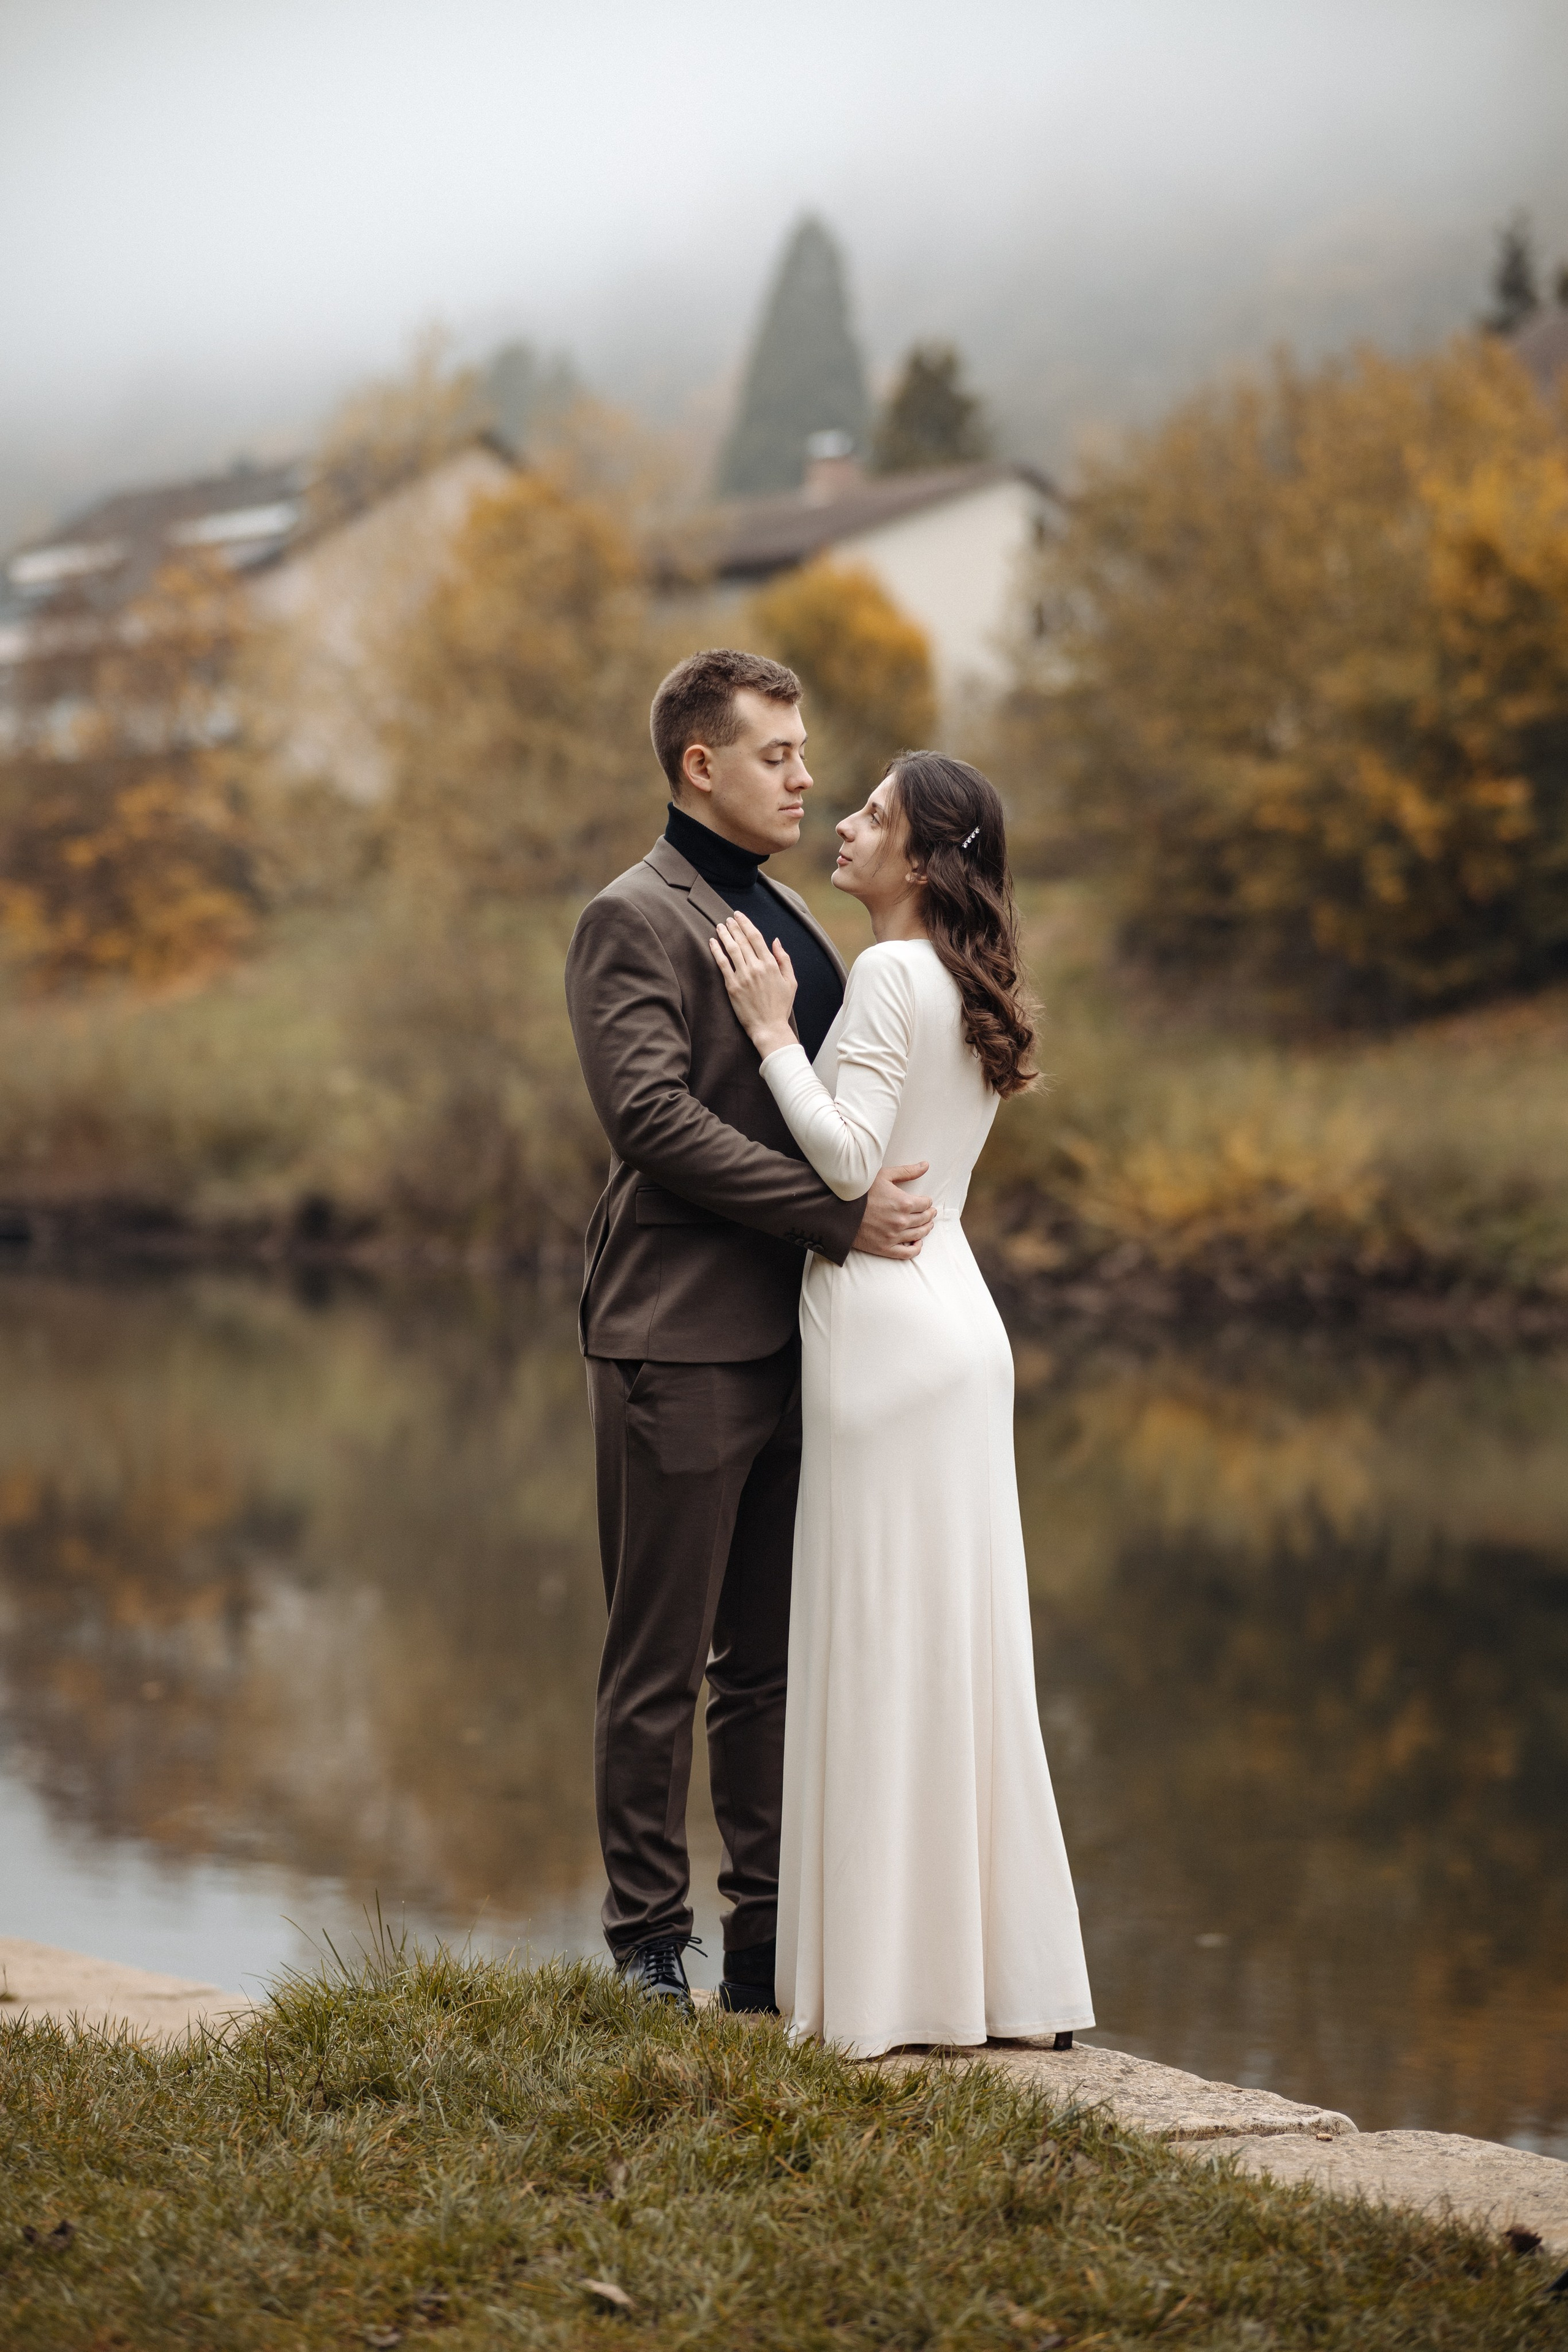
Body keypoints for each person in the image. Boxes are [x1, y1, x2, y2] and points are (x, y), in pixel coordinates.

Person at [564, 649, 937, 2015]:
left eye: (802, 751)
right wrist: (834, 1224)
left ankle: (768, 1951)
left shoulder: (793, 914)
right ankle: (648, 1949)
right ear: (697, 765)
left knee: (770, 1668)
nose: (803, 776)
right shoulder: (630, 917)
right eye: (776, 754)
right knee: (656, 1663)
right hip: (675, 1336)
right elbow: (650, 1123)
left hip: (807, 1347)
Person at [709, 750, 1093, 2057]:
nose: (847, 821)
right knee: (960, 1658)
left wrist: (768, 1031)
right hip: (959, 1330)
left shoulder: (884, 972)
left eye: (872, 811)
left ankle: (881, 1992)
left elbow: (847, 1161)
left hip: (882, 1333)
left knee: (879, 1649)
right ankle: (988, 1985)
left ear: (925, 861)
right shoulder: (970, 987)